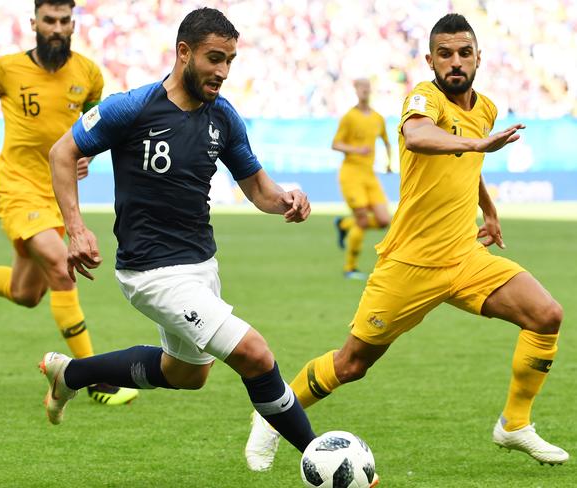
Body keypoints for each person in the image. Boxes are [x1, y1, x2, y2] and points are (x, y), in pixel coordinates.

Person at [245, 13, 569, 471]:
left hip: (465, 257)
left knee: (546, 315)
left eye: (464, 53)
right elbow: (419, 137)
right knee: (351, 364)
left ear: (478, 57)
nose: (455, 62)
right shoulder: (422, 98)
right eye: (445, 54)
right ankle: (272, 417)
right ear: (430, 60)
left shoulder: (486, 108)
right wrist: (478, 147)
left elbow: (465, 164)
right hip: (410, 264)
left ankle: (514, 424)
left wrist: (490, 211)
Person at [39, 7, 328, 473]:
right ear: (184, 52)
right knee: (255, 354)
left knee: (187, 375)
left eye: (230, 60)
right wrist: (76, 228)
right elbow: (62, 152)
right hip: (150, 272)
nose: (223, 71)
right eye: (215, 58)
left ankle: (71, 374)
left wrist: (287, 199)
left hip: (200, 266)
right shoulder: (131, 107)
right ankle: (324, 464)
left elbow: (258, 189)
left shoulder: (225, 118)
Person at [0, 0, 137, 406]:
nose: (57, 28)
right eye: (49, 20)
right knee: (62, 266)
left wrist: (87, 154)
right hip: (17, 186)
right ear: (34, 23)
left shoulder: (88, 73)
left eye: (63, 21)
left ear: (72, 24)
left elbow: (97, 120)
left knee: (26, 293)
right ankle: (92, 377)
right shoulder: (7, 68)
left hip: (58, 193)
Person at [332, 79, 392, 280]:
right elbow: (336, 144)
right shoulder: (349, 117)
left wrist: (390, 163)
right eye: (361, 88)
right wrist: (356, 149)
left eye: (367, 87)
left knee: (385, 220)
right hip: (351, 174)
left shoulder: (377, 118)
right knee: (363, 219)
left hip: (370, 175)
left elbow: (386, 141)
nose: (365, 91)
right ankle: (350, 268)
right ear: (356, 90)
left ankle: (344, 225)